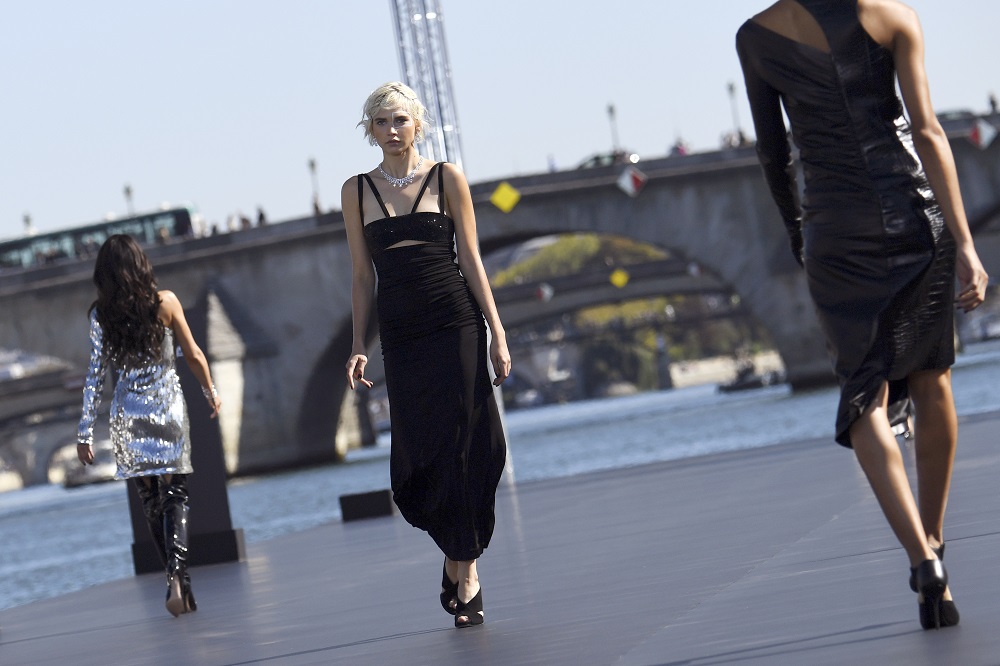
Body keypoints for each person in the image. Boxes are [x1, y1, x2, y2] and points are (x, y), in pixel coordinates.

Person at [736, 0, 990, 630]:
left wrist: (802, 238)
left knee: (864, 397)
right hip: (914, 214)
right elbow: (928, 132)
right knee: (933, 382)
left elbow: (775, 155)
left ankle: (920, 558)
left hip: (834, 234)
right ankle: (935, 545)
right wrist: (965, 243)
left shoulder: (754, 38)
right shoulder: (892, 16)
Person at [342, 82, 510, 628]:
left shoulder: (447, 178)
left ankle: (467, 572)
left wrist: (498, 331)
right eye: (381, 122)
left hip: (457, 320)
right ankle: (455, 554)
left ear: (418, 125)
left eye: (401, 121)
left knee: (470, 440)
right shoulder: (357, 191)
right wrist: (357, 345)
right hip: (403, 333)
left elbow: (474, 261)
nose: (392, 131)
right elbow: (362, 276)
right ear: (370, 130)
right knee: (425, 448)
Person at [76, 234, 222, 617]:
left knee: (150, 501)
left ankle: (177, 584)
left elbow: (95, 375)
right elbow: (192, 353)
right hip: (168, 409)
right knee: (176, 496)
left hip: (128, 415)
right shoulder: (165, 302)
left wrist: (84, 433)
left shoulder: (99, 315)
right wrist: (211, 393)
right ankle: (178, 577)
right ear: (141, 265)